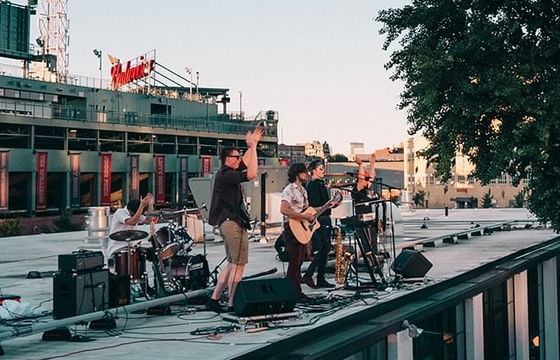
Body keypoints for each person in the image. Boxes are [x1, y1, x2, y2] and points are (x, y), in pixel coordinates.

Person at [206, 126, 263, 313]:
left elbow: (245, 161)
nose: (239, 159)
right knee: (239, 264)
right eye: (236, 157)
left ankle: (214, 299)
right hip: (232, 223)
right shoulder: (227, 175)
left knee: (232, 263)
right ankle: (232, 303)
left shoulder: (226, 172)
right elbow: (252, 173)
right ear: (227, 160)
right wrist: (253, 148)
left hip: (229, 222)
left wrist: (253, 144)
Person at [280, 163, 316, 302]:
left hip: (301, 227)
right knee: (295, 260)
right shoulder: (289, 189)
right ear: (297, 174)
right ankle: (292, 292)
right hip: (292, 227)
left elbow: (307, 211)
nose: (306, 174)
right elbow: (284, 209)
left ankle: (295, 290)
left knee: (300, 260)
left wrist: (327, 206)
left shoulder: (303, 191)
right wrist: (303, 217)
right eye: (304, 172)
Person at [302, 160, 335, 288]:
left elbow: (324, 204)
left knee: (325, 248)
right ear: (313, 171)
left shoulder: (321, 184)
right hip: (320, 220)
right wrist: (326, 206)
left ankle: (320, 278)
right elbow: (314, 206)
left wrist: (332, 205)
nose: (323, 171)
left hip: (326, 217)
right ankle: (310, 274)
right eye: (320, 169)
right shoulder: (313, 185)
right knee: (322, 248)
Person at [107, 193, 154, 258]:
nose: (138, 216)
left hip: (131, 246)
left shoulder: (135, 214)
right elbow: (132, 222)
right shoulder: (120, 213)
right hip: (118, 248)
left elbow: (149, 220)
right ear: (130, 211)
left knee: (151, 253)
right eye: (136, 214)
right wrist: (141, 206)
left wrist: (150, 205)